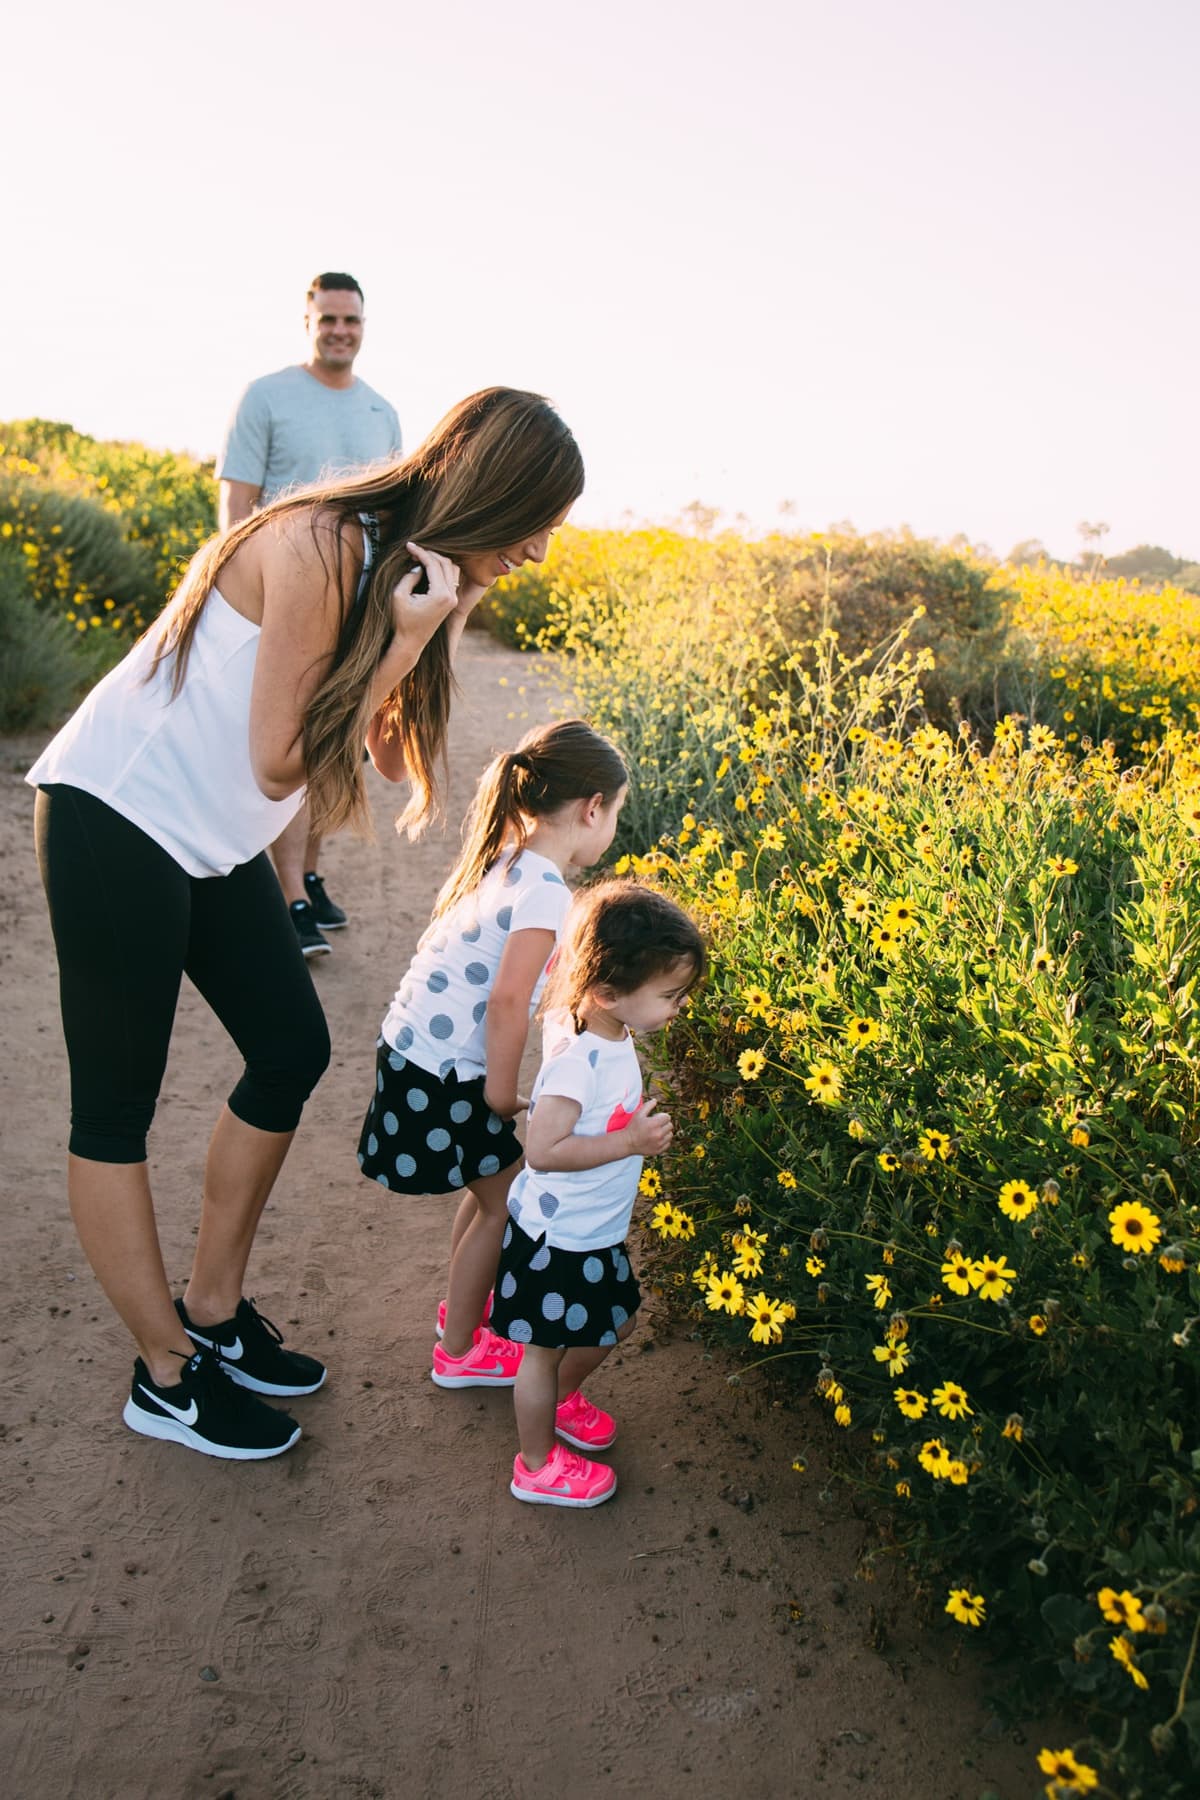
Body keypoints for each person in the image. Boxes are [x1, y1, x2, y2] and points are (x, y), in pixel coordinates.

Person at [28, 387, 583, 1461]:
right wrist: (402, 640)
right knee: (115, 1111)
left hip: (209, 833)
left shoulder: (410, 571)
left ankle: (214, 1309)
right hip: (118, 816)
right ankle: (167, 1375)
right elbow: (282, 760)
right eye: (539, 519)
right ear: (492, 483)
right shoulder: (327, 542)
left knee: (290, 1045)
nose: (545, 549)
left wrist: (433, 626)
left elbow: (380, 754)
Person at [357, 719, 629, 1388]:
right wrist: (504, 1095)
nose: (613, 826)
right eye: (617, 813)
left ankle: (464, 1314)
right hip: (446, 1073)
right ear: (592, 808)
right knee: (505, 1199)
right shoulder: (545, 891)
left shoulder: (508, 856)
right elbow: (509, 1001)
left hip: (417, 1055)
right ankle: (460, 1350)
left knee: (492, 1191)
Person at [489, 881, 706, 1508]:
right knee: (541, 1352)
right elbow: (542, 1151)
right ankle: (535, 1464)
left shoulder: (603, 1026)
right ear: (608, 991)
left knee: (618, 1321)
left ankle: (559, 1400)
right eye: (669, 995)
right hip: (558, 1240)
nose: (679, 1007)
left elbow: (572, 954)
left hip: (594, 1232)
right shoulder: (577, 1060)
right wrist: (629, 1142)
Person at [217, 271, 404, 957]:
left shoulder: (382, 413)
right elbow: (235, 510)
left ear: (363, 326)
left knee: (335, 752)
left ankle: (311, 875)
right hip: (279, 604)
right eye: (328, 319)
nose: (340, 331)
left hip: (356, 609)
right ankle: (288, 895)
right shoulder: (266, 397)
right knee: (287, 747)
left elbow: (390, 518)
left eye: (350, 320)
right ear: (308, 322)